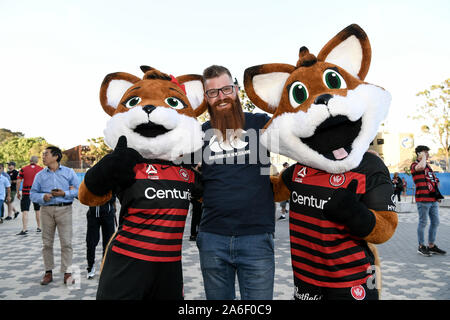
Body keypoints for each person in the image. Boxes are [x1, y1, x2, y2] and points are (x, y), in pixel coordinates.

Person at [196, 65, 275, 300]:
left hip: (256, 239)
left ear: (236, 90)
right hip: (212, 238)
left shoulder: (261, 124)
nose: (221, 97)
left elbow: (301, 137)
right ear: (206, 98)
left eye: (226, 89)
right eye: (213, 92)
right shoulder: (199, 134)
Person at [30, 146, 80, 285]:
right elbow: (33, 194)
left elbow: (78, 190)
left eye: (46, 154)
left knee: (66, 243)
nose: (43, 156)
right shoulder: (40, 175)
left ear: (56, 157)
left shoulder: (69, 172)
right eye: (42, 154)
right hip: (46, 211)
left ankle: (67, 273)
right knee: (46, 243)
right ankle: (48, 273)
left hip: (65, 210)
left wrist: (64, 193)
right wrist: (42, 197)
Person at [410, 145, 446, 256]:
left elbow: (434, 181)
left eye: (427, 153)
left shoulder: (428, 167)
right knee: (423, 222)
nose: (428, 154)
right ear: (419, 154)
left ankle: (431, 246)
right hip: (423, 199)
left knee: (435, 222)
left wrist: (437, 195)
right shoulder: (414, 165)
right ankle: (421, 246)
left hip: (433, 199)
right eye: (425, 152)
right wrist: (423, 157)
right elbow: (420, 167)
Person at [86, 194, 117, 279]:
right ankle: (90, 267)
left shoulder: (110, 181)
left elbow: (113, 196)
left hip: (108, 214)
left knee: (108, 243)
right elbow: (84, 196)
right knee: (91, 242)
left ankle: (105, 267)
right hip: (93, 215)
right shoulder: (90, 181)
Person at [16, 156, 43, 235]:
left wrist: (18, 192)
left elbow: (18, 181)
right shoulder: (41, 169)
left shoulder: (23, 169)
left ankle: (24, 229)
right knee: (38, 210)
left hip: (26, 193)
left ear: (30, 160)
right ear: (37, 161)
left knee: (25, 211)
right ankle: (39, 227)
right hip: (37, 193)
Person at [189, 164, 202, 241]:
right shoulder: (195, 173)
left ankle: (195, 233)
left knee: (197, 216)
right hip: (197, 197)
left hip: (198, 197)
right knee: (196, 216)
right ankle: (194, 233)